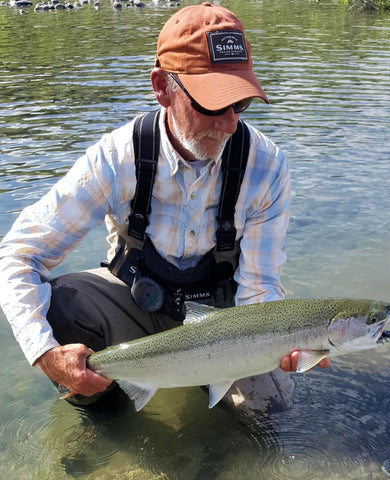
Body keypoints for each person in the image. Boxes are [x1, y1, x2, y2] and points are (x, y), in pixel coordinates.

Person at [0, 2, 329, 413]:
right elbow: (18, 254)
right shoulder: (115, 158)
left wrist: (280, 342)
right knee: (61, 307)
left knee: (268, 412)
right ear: (162, 87)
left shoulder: (266, 166)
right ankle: (104, 415)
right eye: (212, 104)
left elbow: (260, 286)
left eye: (240, 104)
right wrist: (46, 353)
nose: (229, 124)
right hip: (134, 307)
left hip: (223, 323)